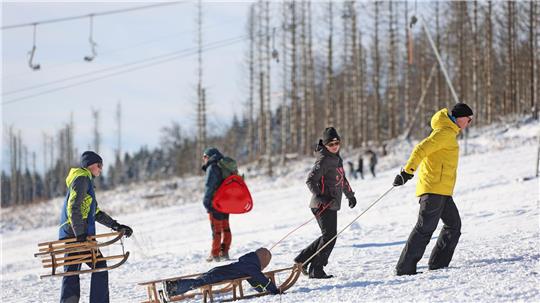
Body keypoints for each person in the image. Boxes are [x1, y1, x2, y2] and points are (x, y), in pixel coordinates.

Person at [392, 103, 473, 276]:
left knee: (453, 225)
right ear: (460, 117)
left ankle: (438, 264)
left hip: (442, 190)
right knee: (425, 228)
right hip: (433, 189)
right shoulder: (444, 132)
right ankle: (404, 269)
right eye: (469, 118)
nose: (470, 121)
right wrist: (407, 172)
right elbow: (421, 148)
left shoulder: (449, 133)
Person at [59, 151, 133, 303]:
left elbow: (96, 213)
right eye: (99, 165)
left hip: (75, 233)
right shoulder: (82, 179)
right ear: (91, 165)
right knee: (98, 266)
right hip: (76, 234)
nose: (101, 169)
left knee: (73, 271)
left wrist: (115, 225)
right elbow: (73, 207)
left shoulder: (84, 180)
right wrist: (79, 233)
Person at [294, 127, 357, 279]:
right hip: (321, 205)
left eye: (337, 143)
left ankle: (302, 259)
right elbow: (310, 180)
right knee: (330, 236)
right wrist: (322, 198)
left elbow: (341, 179)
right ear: (325, 145)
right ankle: (316, 269)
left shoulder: (336, 159)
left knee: (328, 236)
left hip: (331, 204)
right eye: (331, 144)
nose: (335, 146)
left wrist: (350, 195)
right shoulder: (323, 160)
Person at [164, 248, 280, 297]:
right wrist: (274, 289)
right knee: (198, 282)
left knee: (199, 281)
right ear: (262, 260)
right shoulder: (251, 267)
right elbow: (260, 278)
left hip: (219, 271)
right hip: (220, 274)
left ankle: (172, 290)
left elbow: (254, 281)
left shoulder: (248, 264)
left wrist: (262, 290)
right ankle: (172, 287)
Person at [202, 147, 232, 262]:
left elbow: (209, 185)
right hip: (226, 201)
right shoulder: (224, 166)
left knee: (216, 229)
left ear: (209, 156)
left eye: (204, 157)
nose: (204, 159)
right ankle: (224, 252)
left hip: (215, 202)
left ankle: (214, 254)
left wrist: (206, 200)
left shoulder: (212, 167)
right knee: (226, 227)